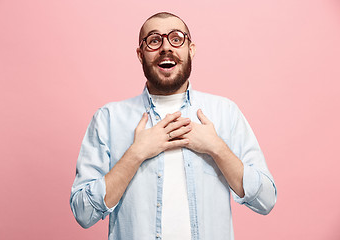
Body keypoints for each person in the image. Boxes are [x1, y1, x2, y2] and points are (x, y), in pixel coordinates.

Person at [70, 12, 277, 240]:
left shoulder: (225, 113)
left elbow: (265, 200)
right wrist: (136, 154)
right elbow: (83, 212)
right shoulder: (108, 118)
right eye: (154, 40)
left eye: (176, 38)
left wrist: (217, 148)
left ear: (191, 49)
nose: (166, 47)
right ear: (140, 55)